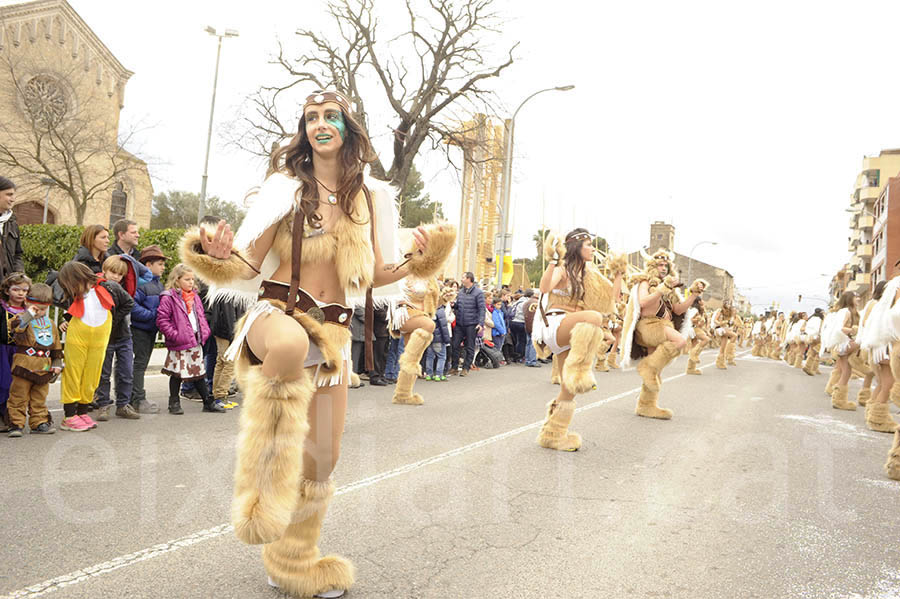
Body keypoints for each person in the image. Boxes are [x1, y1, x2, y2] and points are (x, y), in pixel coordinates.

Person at [179, 89, 449, 597]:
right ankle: (259, 490)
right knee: (283, 346)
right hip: (278, 312)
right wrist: (210, 252)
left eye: (330, 116)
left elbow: (378, 274)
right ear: (303, 130)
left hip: (333, 336)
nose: (319, 124)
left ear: (349, 127)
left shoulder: (370, 198)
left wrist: (426, 257)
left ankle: (291, 560)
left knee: (324, 456)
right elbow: (247, 265)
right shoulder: (284, 188)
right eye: (310, 118)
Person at [532, 229, 620, 451]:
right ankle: (582, 368)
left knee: (568, 388)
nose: (592, 249)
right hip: (557, 324)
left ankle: (553, 435)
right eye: (588, 245)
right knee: (594, 318)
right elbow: (544, 288)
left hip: (573, 332)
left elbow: (613, 298)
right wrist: (552, 261)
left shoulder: (589, 276)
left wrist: (618, 273)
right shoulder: (563, 269)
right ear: (576, 248)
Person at [621, 248, 692, 420]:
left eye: (666, 265)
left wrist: (693, 296)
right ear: (653, 266)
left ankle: (646, 406)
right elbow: (643, 302)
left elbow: (677, 309)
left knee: (656, 371)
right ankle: (647, 367)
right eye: (660, 265)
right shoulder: (645, 282)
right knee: (680, 342)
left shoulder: (670, 288)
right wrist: (662, 288)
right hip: (649, 326)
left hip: (663, 325)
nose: (663, 268)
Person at [388, 230, 456, 405]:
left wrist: (445, 298)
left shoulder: (430, 278)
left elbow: (433, 302)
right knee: (428, 325)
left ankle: (403, 394)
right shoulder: (404, 270)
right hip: (404, 314)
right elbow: (390, 290)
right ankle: (402, 390)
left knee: (413, 356)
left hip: (422, 316)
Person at [56, 261, 117, 431]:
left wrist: (115, 327)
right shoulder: (75, 296)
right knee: (73, 373)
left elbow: (125, 303)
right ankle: (69, 415)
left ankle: (82, 411)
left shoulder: (106, 288)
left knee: (92, 375)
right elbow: (65, 308)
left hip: (99, 338)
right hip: (78, 337)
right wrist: (64, 321)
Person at [156, 264, 221, 415]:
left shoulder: (195, 296)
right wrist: (174, 335)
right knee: (177, 373)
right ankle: (174, 403)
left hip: (194, 339)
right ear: (177, 280)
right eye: (187, 279)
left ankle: (207, 402)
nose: (191, 282)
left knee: (198, 372)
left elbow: (200, 316)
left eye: (192, 279)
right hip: (180, 341)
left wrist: (204, 331)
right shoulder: (169, 297)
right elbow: (162, 319)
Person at [6, 283, 62, 437]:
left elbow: (56, 348)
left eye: (43, 309)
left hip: (43, 367)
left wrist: (57, 365)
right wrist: (28, 314)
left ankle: (39, 422)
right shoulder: (21, 319)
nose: (40, 312)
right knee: (18, 396)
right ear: (27, 303)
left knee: (39, 397)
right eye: (36, 308)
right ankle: (15, 423)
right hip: (23, 366)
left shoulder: (51, 324)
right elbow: (16, 328)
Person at [93, 256, 139, 421]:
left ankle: (123, 404)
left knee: (126, 371)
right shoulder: (97, 287)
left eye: (120, 274)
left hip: (123, 336)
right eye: (113, 272)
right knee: (103, 373)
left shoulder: (120, 289)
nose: (116, 277)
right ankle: (103, 404)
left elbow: (129, 303)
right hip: (104, 337)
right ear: (104, 270)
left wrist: (114, 319)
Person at [130, 245, 168, 413]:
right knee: (139, 364)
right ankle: (137, 399)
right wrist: (153, 315)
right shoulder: (141, 285)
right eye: (160, 263)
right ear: (148, 265)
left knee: (141, 364)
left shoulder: (158, 285)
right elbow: (132, 306)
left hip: (150, 330)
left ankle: (135, 398)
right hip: (140, 330)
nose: (163, 267)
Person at [820, 291, 860, 411]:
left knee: (846, 372)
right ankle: (839, 399)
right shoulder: (846, 312)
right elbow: (839, 329)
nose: (858, 298)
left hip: (842, 345)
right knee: (863, 342)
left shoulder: (847, 311)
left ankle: (838, 399)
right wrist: (853, 330)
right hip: (844, 344)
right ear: (849, 299)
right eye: (855, 297)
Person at [0, 273, 29, 431]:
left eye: (24, 290)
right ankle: (2, 414)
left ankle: (13, 416)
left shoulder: (30, 311)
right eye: (16, 289)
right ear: (7, 290)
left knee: (18, 384)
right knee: (3, 383)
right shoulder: (2, 308)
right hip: (3, 350)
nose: (20, 293)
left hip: (20, 351)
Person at [450, 272, 485, 376]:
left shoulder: (478, 293)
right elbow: (458, 306)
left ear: (469, 279)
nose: (461, 279)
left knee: (469, 346)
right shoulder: (460, 292)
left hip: (472, 324)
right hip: (460, 323)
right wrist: (454, 305)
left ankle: (466, 368)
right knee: (455, 345)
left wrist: (480, 324)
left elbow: (482, 309)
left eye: (463, 277)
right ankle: (454, 367)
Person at [424, 287, 453, 381]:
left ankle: (429, 374)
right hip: (439, 338)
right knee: (441, 356)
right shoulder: (440, 311)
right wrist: (447, 339)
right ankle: (439, 375)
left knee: (430, 356)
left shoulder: (429, 311)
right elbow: (443, 326)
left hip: (430, 337)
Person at [680, 279, 709, 375]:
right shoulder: (695, 309)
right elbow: (690, 320)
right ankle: (693, 354)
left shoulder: (699, 309)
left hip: (694, 328)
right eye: (701, 301)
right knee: (705, 339)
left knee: (694, 345)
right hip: (692, 328)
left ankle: (691, 369)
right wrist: (698, 320)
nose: (703, 302)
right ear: (699, 302)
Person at [0, 177, 25, 279]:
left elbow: (17, 255)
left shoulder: (12, 223)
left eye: (13, 195)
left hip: (6, 287)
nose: (13, 199)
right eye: (9, 194)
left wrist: (18, 275)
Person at [712, 299, 738, 370]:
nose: (728, 305)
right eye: (727, 303)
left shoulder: (730, 312)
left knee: (722, 348)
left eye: (730, 304)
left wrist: (732, 318)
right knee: (734, 336)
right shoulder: (720, 310)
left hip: (725, 329)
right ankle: (729, 354)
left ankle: (720, 362)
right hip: (719, 328)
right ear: (724, 304)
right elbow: (715, 320)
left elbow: (731, 323)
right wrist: (721, 323)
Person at [522, 289, 540, 367]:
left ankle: (528, 359)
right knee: (534, 343)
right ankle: (532, 360)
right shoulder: (537, 303)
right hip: (534, 325)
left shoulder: (527, 302)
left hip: (527, 324)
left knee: (528, 343)